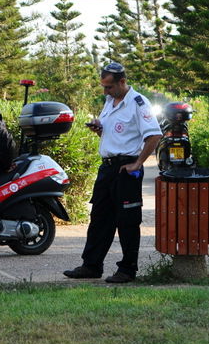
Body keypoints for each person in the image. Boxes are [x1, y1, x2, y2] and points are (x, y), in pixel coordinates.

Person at [64, 62, 162, 283]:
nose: (105, 91)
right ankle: (91, 266)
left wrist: (138, 163)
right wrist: (100, 129)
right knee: (99, 218)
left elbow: (154, 135)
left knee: (127, 221)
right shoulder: (109, 102)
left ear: (122, 82)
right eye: (103, 87)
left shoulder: (138, 103)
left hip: (125, 169)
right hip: (107, 167)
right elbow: (115, 135)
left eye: (109, 87)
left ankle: (127, 270)